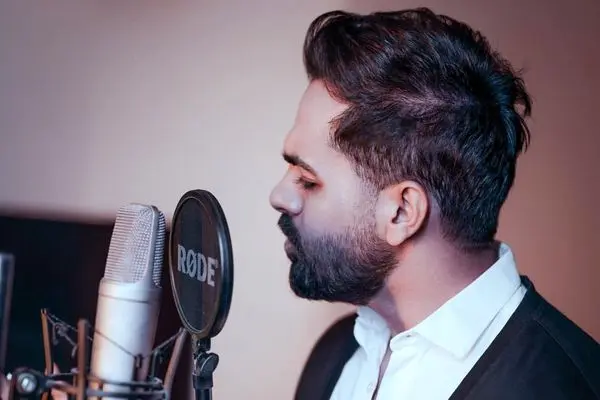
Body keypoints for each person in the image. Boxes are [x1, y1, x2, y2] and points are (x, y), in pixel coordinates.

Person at [269, 7, 600, 400]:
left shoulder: (560, 386)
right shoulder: (337, 353)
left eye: (308, 180)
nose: (279, 196)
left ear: (402, 212)